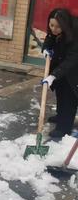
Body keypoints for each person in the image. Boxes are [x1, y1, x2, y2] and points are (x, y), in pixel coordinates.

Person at [42, 8, 78, 139]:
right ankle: (60, 115)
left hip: (74, 71)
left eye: (57, 27)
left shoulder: (75, 34)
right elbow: (49, 37)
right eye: (51, 25)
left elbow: (72, 59)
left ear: (65, 25)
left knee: (69, 97)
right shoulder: (55, 30)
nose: (53, 29)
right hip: (62, 67)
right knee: (61, 92)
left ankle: (64, 127)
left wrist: (53, 75)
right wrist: (45, 48)